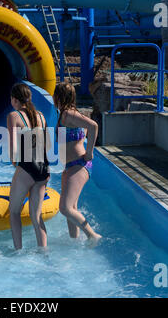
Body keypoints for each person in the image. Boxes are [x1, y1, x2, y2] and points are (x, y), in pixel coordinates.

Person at [54, 82, 102, 248]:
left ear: (57, 97)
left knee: (65, 208)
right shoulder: (65, 115)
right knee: (72, 208)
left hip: (79, 164)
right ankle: (74, 242)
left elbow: (93, 126)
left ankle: (92, 235)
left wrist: (90, 152)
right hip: (71, 166)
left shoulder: (68, 114)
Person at [7, 83, 50, 250]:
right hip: (43, 169)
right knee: (36, 215)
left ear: (15, 99)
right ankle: (44, 251)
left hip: (27, 167)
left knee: (15, 212)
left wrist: (15, 163)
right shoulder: (41, 116)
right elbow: (46, 146)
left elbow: (13, 148)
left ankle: (18, 251)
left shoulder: (14, 116)